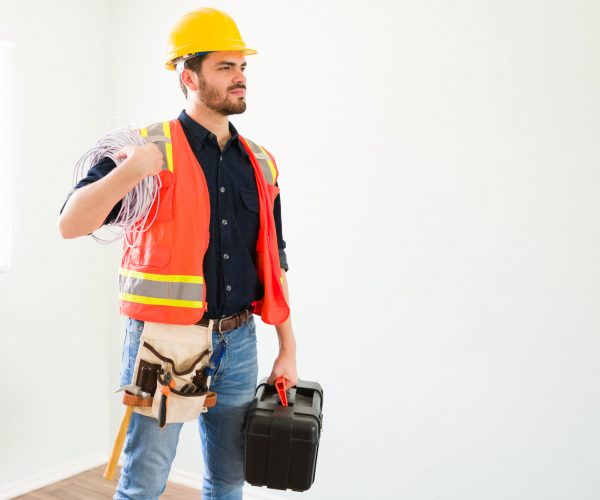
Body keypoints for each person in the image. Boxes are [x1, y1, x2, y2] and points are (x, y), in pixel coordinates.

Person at [58, 7, 297, 499]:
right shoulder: (147, 148)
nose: (240, 79)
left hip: (240, 341)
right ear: (189, 76)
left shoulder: (261, 163)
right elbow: (71, 223)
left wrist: (287, 347)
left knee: (229, 480)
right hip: (166, 345)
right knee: (145, 483)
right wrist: (129, 173)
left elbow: (275, 262)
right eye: (225, 68)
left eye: (243, 67)